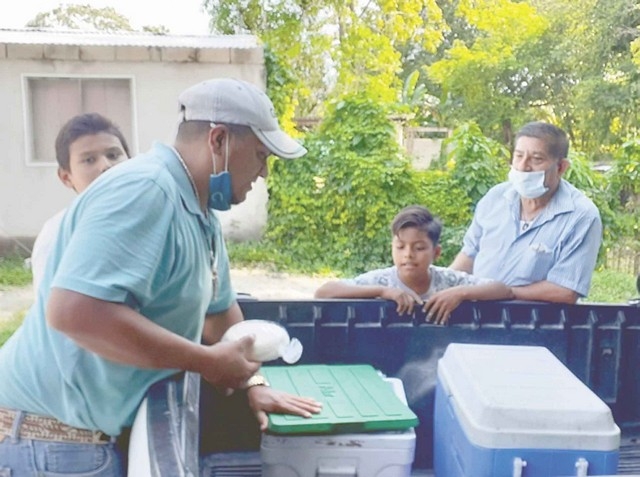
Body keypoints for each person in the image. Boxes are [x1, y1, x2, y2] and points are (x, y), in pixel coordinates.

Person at [0, 78, 321, 476]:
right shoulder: (147, 191)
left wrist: (254, 386)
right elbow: (74, 312)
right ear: (218, 140)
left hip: (86, 436)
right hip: (51, 440)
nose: (264, 172)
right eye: (259, 155)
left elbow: (221, 320)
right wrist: (206, 361)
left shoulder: (201, 214)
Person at [449, 121, 602, 304]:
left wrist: (503, 292)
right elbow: (469, 254)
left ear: (561, 167)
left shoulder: (581, 216)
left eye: (536, 159)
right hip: (476, 320)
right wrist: (445, 286)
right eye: (518, 156)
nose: (523, 166)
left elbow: (565, 291)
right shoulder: (496, 198)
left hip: (535, 325)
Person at [314, 205, 514, 324]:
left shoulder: (448, 281)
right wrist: (383, 292)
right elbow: (324, 292)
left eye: (419, 248)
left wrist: (460, 293)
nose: (408, 255)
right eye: (400, 247)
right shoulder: (381, 281)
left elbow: (503, 290)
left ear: (436, 253)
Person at [30, 113, 131, 295]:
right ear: (66, 177)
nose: (105, 166)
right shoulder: (58, 235)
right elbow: (51, 311)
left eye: (113, 155)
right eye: (89, 160)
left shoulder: (156, 217)